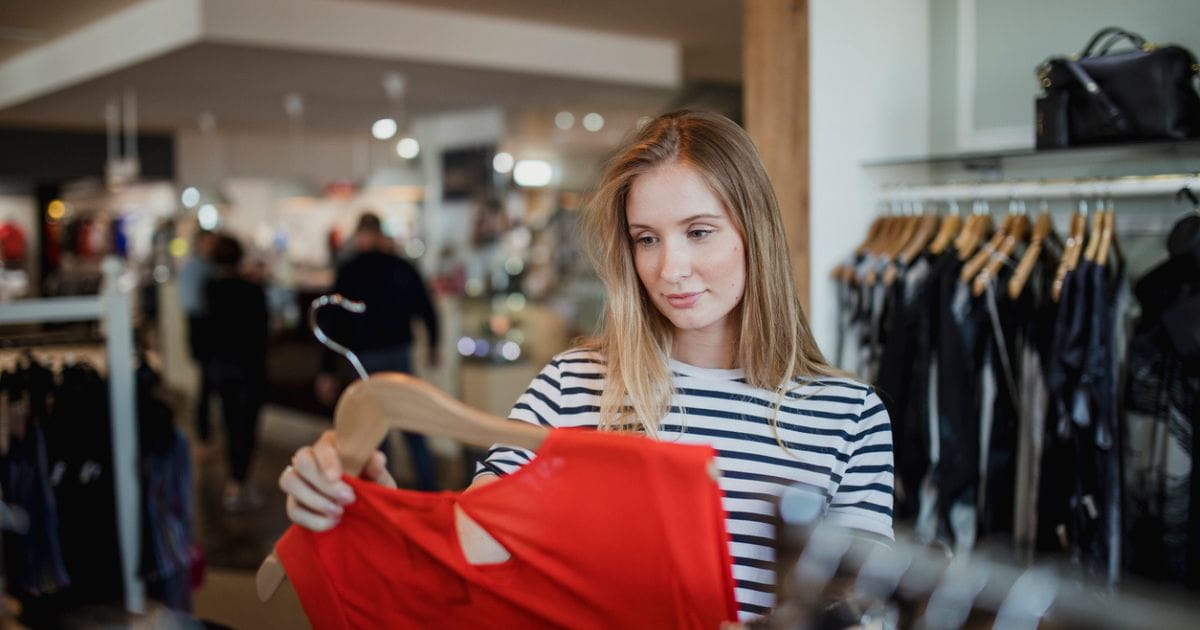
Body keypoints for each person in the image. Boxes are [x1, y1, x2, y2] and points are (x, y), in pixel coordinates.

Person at [279, 111, 894, 622]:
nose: (668, 269)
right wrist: (371, 505)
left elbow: (861, 612)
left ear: (753, 232)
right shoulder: (573, 384)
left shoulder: (848, 416)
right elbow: (474, 548)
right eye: (646, 238)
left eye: (698, 232)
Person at [315, 212, 441, 490]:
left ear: (361, 235)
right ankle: (431, 492)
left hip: (365, 358)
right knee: (413, 425)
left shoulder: (349, 269)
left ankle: (384, 495)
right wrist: (433, 344)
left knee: (375, 433)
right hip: (399, 354)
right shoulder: (402, 266)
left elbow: (334, 321)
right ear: (381, 234)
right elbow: (427, 308)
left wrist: (326, 370)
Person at [205, 233, 269, 511]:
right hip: (250, 366)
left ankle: (235, 481)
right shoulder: (253, 290)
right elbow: (264, 330)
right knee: (248, 426)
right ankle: (240, 481)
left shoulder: (211, 290)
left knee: (230, 424)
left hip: (223, 367)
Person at [178, 229, 217, 446]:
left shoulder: (207, 267)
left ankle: (206, 433)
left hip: (205, 328)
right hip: (202, 329)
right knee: (205, 383)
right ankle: (204, 434)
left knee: (207, 383)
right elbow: (194, 305)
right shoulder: (195, 268)